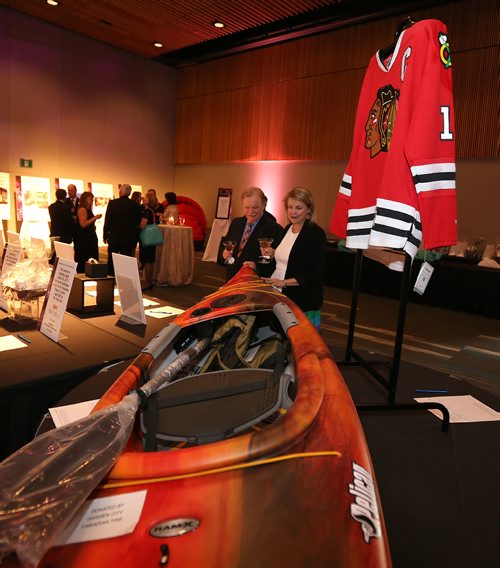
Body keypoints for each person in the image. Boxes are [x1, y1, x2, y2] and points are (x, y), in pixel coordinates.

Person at [259, 187, 326, 329]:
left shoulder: (315, 233)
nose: (293, 212)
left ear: (309, 209)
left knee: (301, 344)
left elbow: (314, 273)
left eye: (298, 208)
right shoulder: (287, 229)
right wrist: (271, 252)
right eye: (290, 207)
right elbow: (284, 256)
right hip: (278, 293)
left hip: (301, 298)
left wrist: (284, 283)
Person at [218, 187, 282, 281]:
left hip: (254, 280)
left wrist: (256, 265)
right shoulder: (236, 223)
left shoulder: (275, 229)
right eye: (247, 207)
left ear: (264, 205)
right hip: (232, 278)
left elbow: (275, 259)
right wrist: (224, 255)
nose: (250, 211)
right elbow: (225, 247)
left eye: (255, 207)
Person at [103, 183, 143, 276]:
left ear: (120, 191)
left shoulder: (113, 203)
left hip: (114, 236)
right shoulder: (135, 205)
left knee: (112, 259)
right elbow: (137, 222)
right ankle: (124, 278)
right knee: (126, 260)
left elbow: (108, 219)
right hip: (128, 238)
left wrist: (105, 234)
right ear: (129, 193)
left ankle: (111, 278)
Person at [74, 191, 101, 273]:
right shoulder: (82, 209)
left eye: (92, 199)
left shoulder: (87, 209)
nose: (91, 201)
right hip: (85, 239)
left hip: (89, 237)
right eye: (90, 199)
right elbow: (83, 224)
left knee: (90, 258)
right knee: (85, 258)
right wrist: (95, 218)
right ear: (85, 199)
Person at [48, 188, 75, 264]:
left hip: (54, 232)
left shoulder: (51, 207)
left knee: (54, 253)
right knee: (63, 255)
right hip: (64, 235)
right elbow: (69, 221)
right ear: (65, 196)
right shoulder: (66, 207)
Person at [138, 194, 157, 291]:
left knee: (147, 260)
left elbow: (142, 225)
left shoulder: (146, 211)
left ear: (148, 200)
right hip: (152, 236)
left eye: (145, 197)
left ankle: (147, 282)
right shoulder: (152, 211)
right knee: (150, 260)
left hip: (146, 237)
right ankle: (149, 281)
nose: (143, 198)